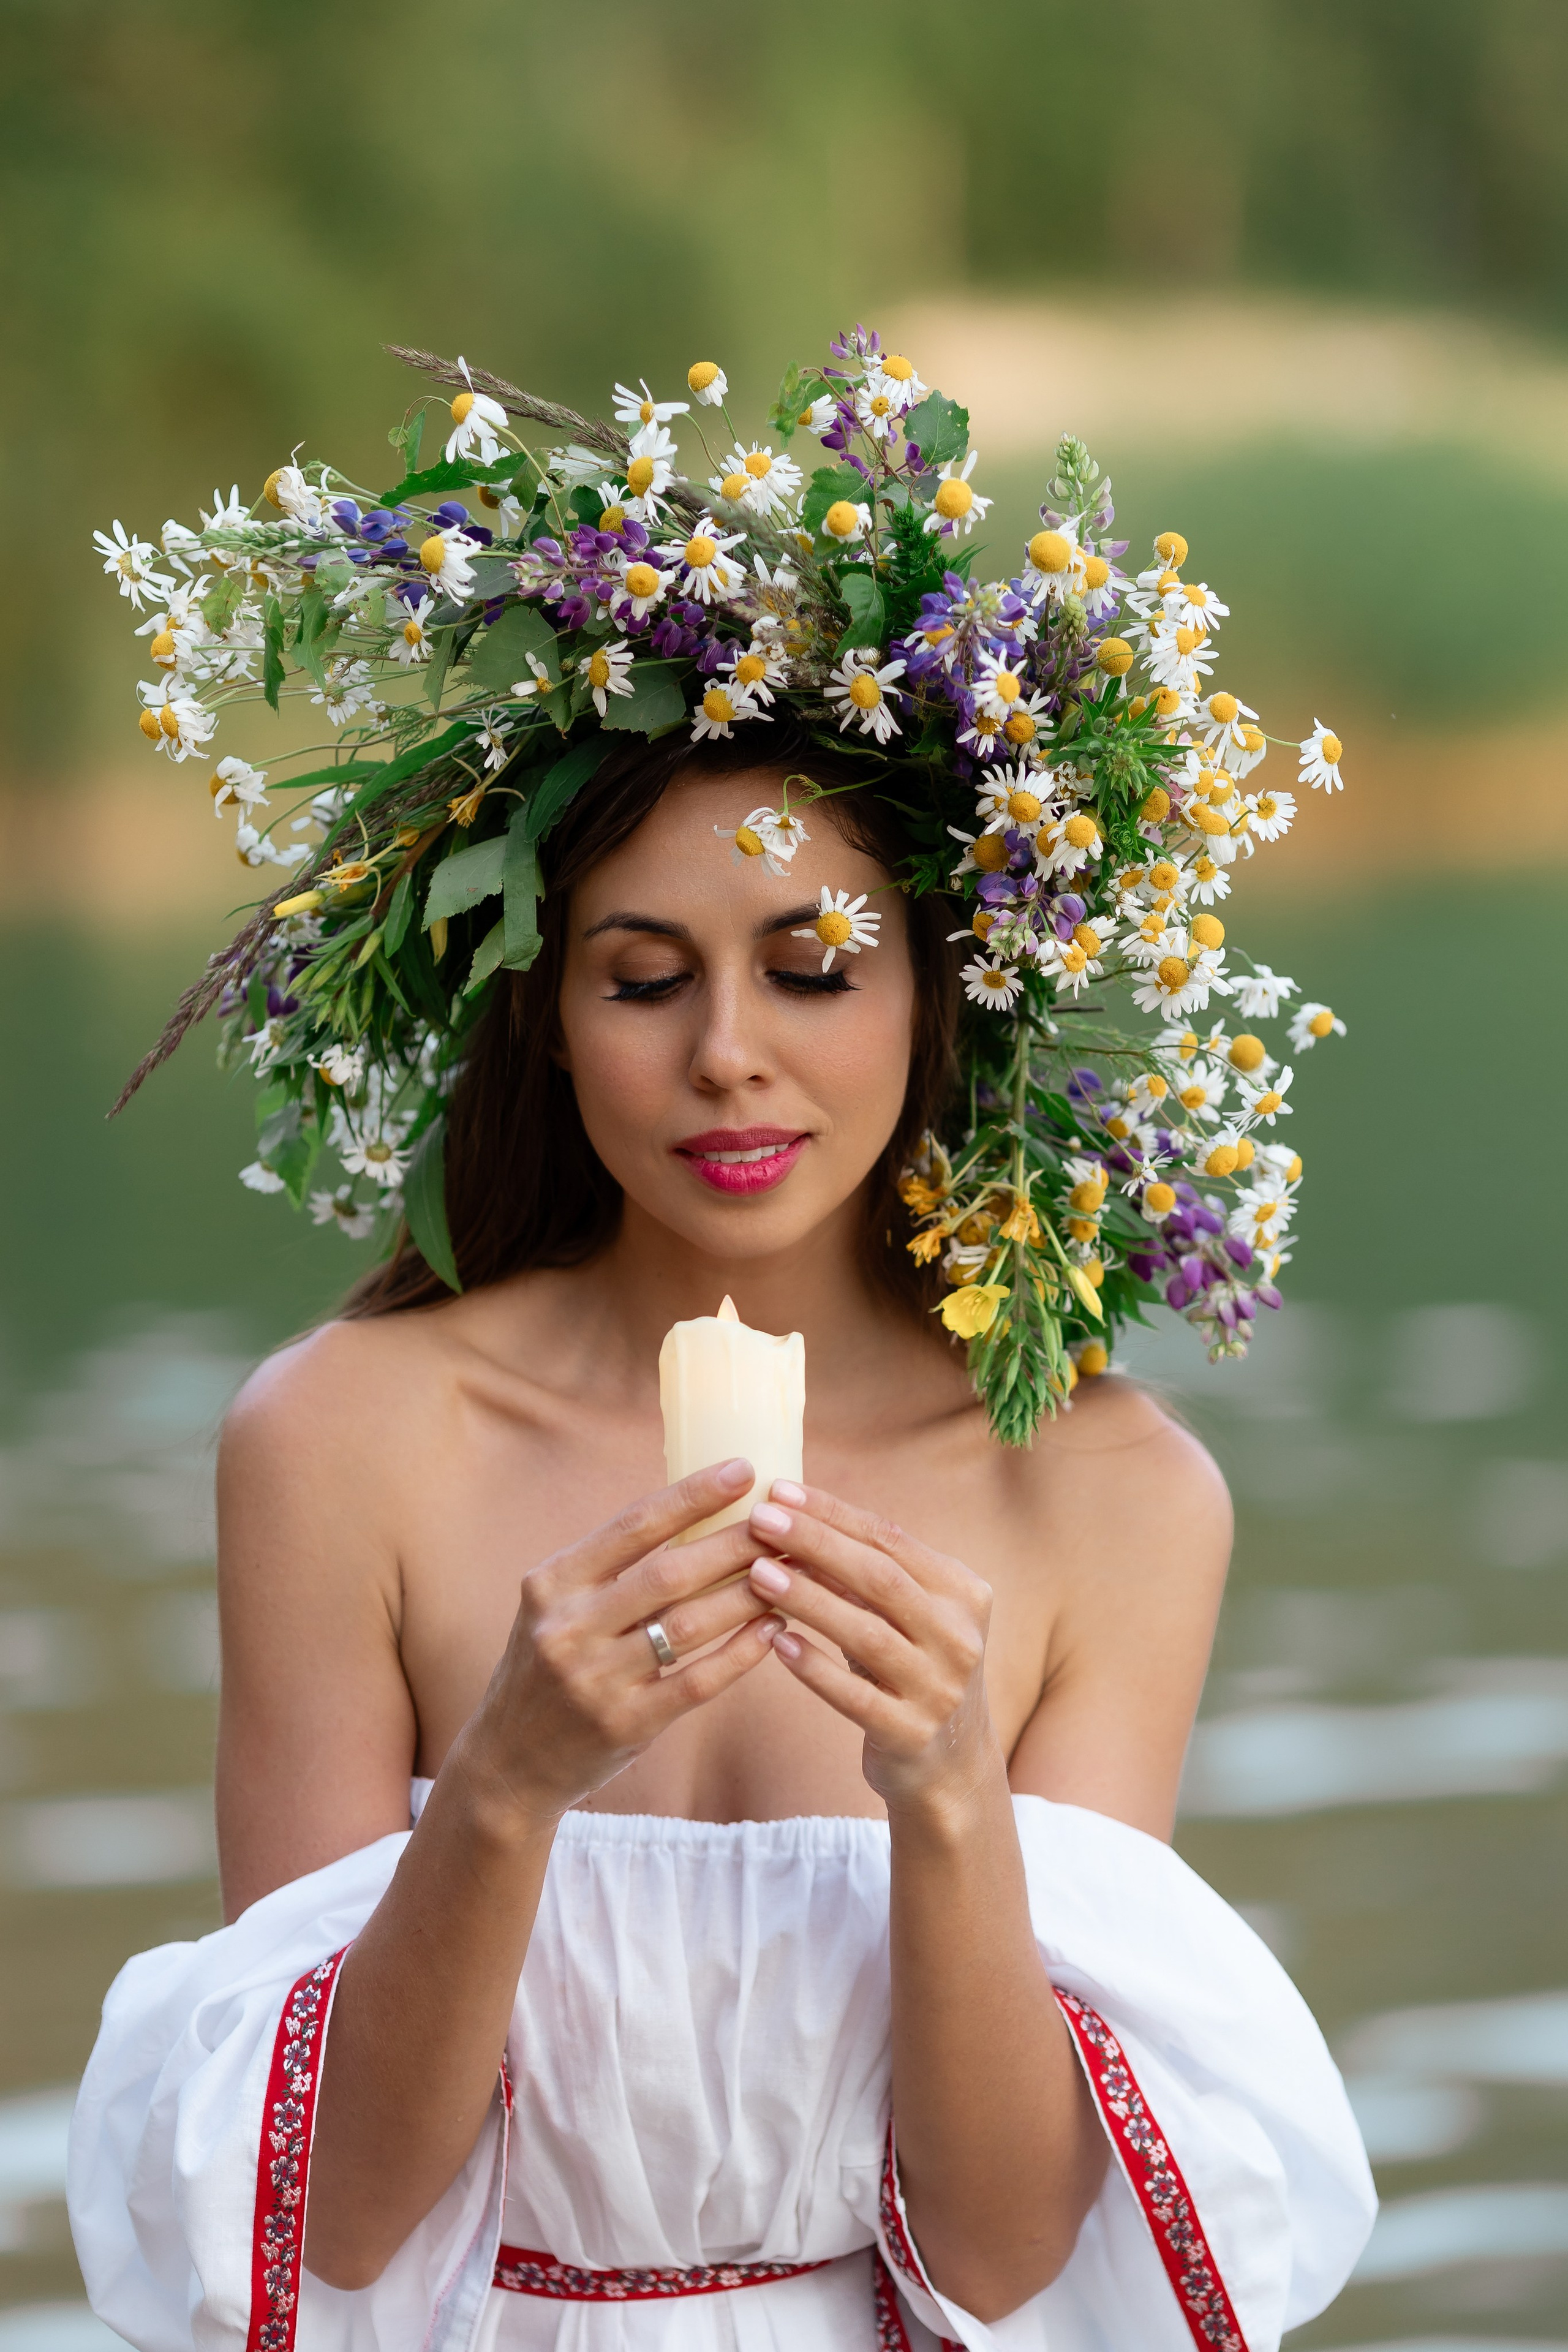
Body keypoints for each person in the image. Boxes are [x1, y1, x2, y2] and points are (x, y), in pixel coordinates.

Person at [69, 336, 1373, 2352]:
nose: (729, 1056)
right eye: (644, 977)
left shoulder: (1112, 1494)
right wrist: (505, 1781)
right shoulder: (347, 1442)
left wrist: (949, 1797)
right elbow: (337, 2225)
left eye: (814, 966)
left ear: (942, 990)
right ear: (544, 1012)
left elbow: (1006, 2256)